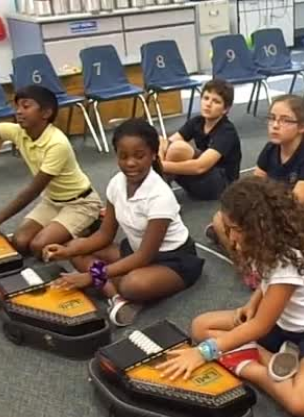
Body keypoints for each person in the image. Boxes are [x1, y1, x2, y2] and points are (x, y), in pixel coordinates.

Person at [157, 177, 304, 417]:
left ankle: (251, 366)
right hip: (281, 323)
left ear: (257, 226)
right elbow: (269, 283)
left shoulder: (289, 257)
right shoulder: (266, 244)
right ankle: (272, 357)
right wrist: (253, 302)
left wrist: (202, 353)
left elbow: (260, 325)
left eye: (234, 230)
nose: (231, 238)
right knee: (201, 326)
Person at [43, 119, 204, 327]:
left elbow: (145, 255)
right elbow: (105, 235)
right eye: (123, 156)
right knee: (76, 250)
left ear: (154, 154)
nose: (130, 163)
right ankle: (115, 297)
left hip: (171, 259)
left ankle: (115, 289)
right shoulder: (116, 183)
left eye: (139, 156)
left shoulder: (160, 195)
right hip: (135, 252)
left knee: (132, 284)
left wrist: (91, 276)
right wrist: (67, 252)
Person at [207, 94, 304, 254]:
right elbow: (251, 188)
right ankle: (243, 258)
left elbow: (293, 209)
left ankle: (244, 250)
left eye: (285, 120)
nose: (275, 125)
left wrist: (253, 223)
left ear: (302, 127)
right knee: (220, 218)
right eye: (272, 118)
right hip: (274, 210)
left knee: (267, 240)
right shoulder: (271, 149)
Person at [0, 85, 102, 258]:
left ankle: (90, 224)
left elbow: (32, 191)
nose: (18, 112)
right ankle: (66, 230)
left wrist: (1, 217)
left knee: (38, 247)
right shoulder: (18, 132)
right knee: (20, 242)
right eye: (17, 106)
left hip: (80, 203)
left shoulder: (57, 143)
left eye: (26, 106)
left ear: (46, 113)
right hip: (52, 201)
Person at [158, 79, 242, 200]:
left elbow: (200, 166)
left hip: (221, 186)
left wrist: (160, 165)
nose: (208, 104)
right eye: (206, 98)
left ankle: (159, 188)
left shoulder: (226, 131)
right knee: (159, 140)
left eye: (216, 101)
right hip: (199, 179)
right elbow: (167, 143)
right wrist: (159, 154)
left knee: (178, 149)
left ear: (225, 109)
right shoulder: (197, 121)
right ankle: (159, 185)